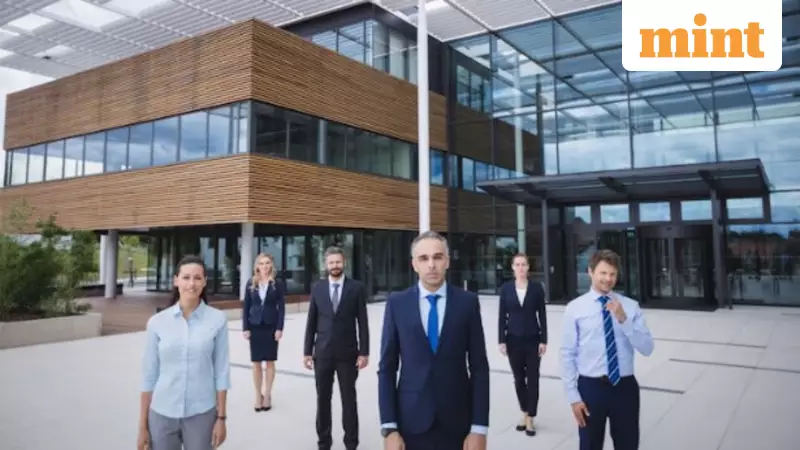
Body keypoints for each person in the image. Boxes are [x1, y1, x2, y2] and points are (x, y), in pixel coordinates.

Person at [378, 230, 490, 450]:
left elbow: (479, 368)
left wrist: (479, 428)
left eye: (437, 257)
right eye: (424, 258)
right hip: (411, 423)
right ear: (414, 264)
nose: (431, 264)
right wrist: (389, 428)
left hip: (458, 423)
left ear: (447, 261)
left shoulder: (467, 303)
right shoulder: (397, 304)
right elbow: (387, 368)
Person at [560, 249, 655, 450]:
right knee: (590, 445)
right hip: (591, 388)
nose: (608, 279)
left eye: (612, 274)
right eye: (603, 273)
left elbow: (647, 348)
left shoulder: (630, 306)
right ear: (591, 272)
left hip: (624, 387)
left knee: (628, 444)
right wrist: (573, 397)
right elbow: (567, 354)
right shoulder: (575, 308)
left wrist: (623, 320)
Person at [137, 255, 231, 450]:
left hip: (202, 413)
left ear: (205, 282)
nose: (191, 283)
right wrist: (142, 427)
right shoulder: (157, 322)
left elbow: (221, 372)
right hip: (162, 413)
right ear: (176, 280)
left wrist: (221, 418)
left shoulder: (217, 320)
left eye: (197, 278)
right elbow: (149, 375)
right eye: (186, 277)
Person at [303, 246, 370, 450]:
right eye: (331, 262)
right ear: (326, 265)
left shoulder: (356, 288)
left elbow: (363, 322)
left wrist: (364, 352)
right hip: (322, 353)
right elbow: (311, 321)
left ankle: (351, 443)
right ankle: (324, 442)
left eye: (338, 262)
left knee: (349, 401)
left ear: (344, 263)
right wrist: (307, 351)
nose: (335, 266)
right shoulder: (318, 288)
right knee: (323, 399)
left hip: (348, 354)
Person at [497, 253, 548, 436]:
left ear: (528, 268)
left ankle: (531, 418)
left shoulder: (536, 289)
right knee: (519, 379)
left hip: (533, 340)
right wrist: (501, 340)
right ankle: (524, 412)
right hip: (513, 340)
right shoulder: (506, 289)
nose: (520, 268)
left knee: (533, 379)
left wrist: (544, 340)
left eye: (523, 265)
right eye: (517, 265)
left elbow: (542, 314)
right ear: (512, 267)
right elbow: (502, 315)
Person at [242, 253, 286, 412]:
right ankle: (257, 395)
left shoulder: (277, 284)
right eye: (261, 263)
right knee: (256, 364)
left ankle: (267, 394)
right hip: (255, 326)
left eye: (267, 263)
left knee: (269, 362)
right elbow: (246, 307)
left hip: (271, 326)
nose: (264, 266)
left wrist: (280, 328)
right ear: (257, 266)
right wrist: (245, 327)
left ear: (271, 265)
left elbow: (281, 308)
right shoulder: (250, 283)